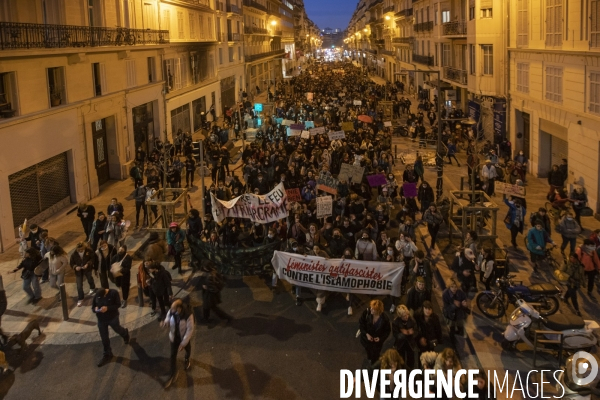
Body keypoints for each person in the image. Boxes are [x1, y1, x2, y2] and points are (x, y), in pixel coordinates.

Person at [161, 298, 194, 389]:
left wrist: (183, 343)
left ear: (179, 308)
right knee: (172, 355)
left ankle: (187, 359)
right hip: (174, 338)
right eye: (171, 309)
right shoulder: (172, 311)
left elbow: (190, 329)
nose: (171, 311)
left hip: (183, 338)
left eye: (173, 309)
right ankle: (172, 374)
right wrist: (165, 323)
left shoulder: (188, 315)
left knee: (188, 349)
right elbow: (168, 318)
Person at [93, 287, 130, 367]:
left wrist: (108, 308)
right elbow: (93, 307)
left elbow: (118, 304)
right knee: (104, 337)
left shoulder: (113, 293)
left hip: (112, 318)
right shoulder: (97, 295)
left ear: (105, 293)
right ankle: (107, 354)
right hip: (101, 320)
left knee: (117, 329)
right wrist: (95, 309)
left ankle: (125, 333)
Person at [358, 299, 391, 364]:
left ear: (378, 311)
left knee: (376, 354)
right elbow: (361, 324)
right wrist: (366, 334)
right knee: (368, 351)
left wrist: (380, 339)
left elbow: (387, 331)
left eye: (373, 309)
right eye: (371, 308)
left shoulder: (385, 319)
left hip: (377, 342)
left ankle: (374, 363)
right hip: (366, 340)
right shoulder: (367, 313)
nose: (371, 310)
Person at [70, 242, 97, 307]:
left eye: (82, 250)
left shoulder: (89, 251)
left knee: (90, 278)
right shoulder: (74, 254)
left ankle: (92, 288)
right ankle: (81, 298)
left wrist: (88, 264)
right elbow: (71, 263)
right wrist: (75, 267)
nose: (80, 251)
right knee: (79, 285)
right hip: (79, 271)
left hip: (87, 269)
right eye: (79, 250)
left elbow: (93, 258)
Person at [392, 305, 417, 370]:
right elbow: (395, 335)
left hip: (410, 343)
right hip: (401, 344)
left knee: (411, 360)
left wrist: (412, 333)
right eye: (404, 316)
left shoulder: (411, 320)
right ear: (400, 316)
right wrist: (405, 334)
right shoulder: (395, 322)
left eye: (407, 315)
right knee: (401, 360)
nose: (406, 317)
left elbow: (416, 330)